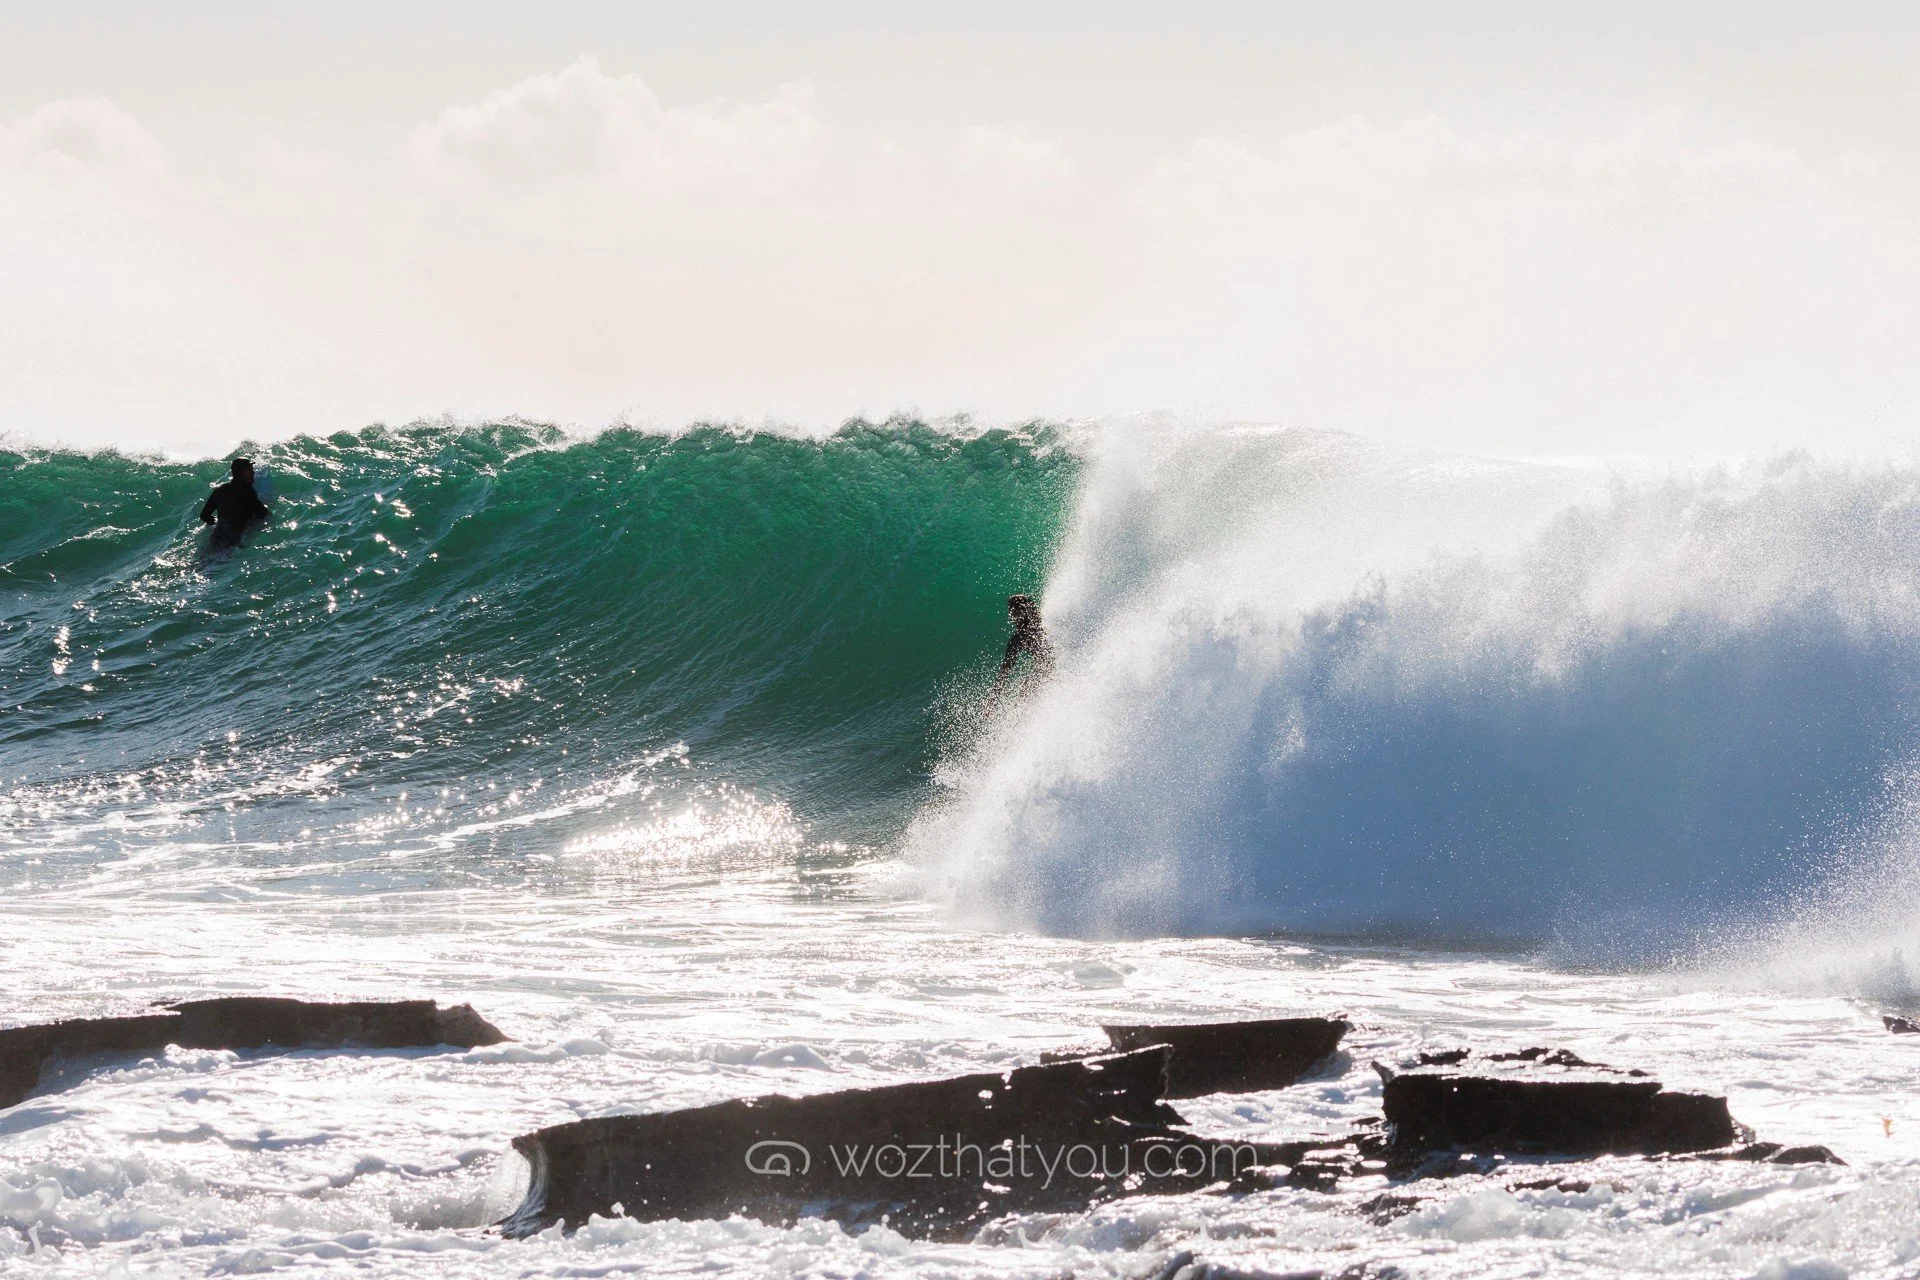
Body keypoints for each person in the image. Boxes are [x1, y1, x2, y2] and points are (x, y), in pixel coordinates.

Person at [988, 594, 1052, 709]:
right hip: (1048, 669)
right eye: (1011, 612)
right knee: (1025, 692)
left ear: (1023, 611)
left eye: (1014, 611)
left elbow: (1005, 672)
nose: (1012, 616)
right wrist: (993, 699)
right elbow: (1005, 670)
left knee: (1026, 691)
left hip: (1054, 667)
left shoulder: (1032, 631)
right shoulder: (1019, 638)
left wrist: (993, 699)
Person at [199, 457, 271, 548]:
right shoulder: (248, 492)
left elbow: (204, 515)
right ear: (240, 473)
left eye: (251, 469)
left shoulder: (220, 490)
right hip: (234, 540)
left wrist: (214, 523)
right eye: (248, 470)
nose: (253, 472)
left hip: (217, 537)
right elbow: (262, 514)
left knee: (206, 559)